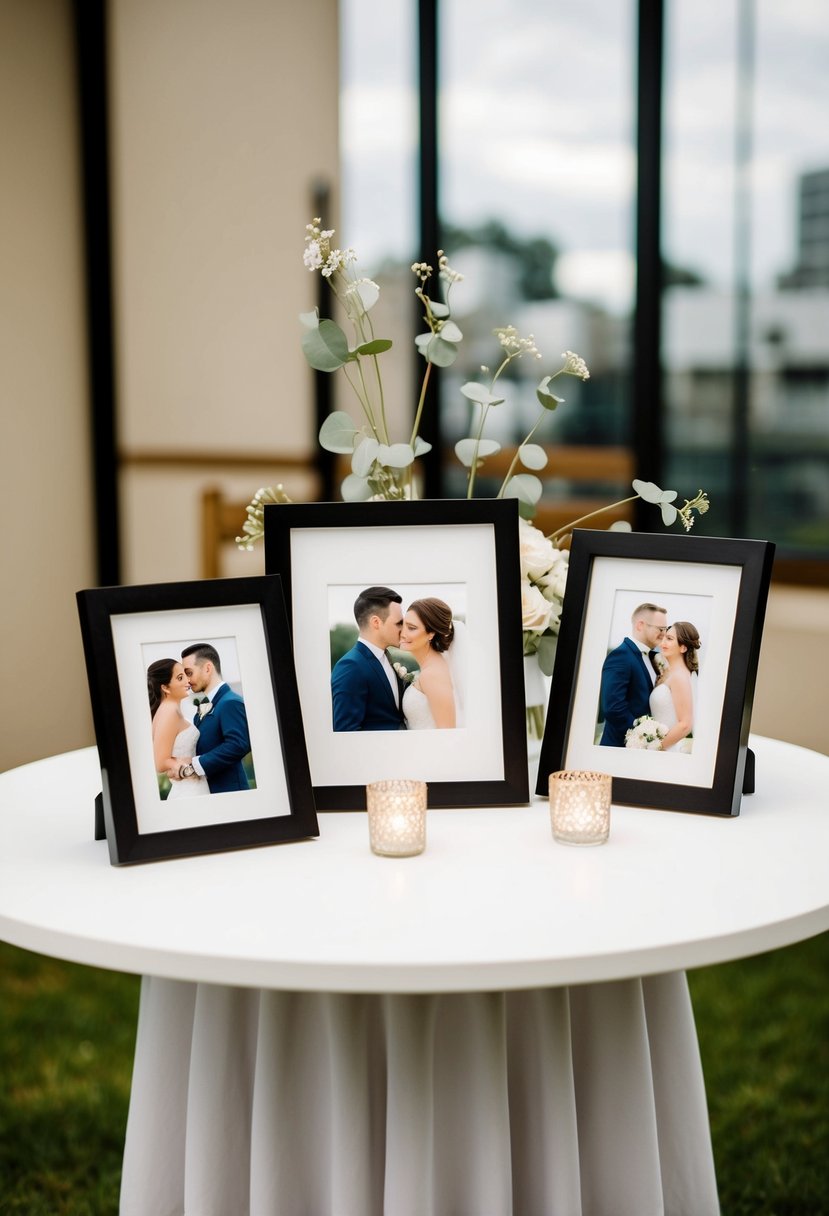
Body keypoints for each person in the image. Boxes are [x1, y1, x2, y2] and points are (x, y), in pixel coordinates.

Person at [166, 643, 252, 793]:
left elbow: (238, 744)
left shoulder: (230, 702)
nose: (187, 680)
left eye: (189, 673)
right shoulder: (208, 705)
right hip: (207, 792)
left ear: (207, 668)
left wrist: (193, 766)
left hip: (230, 793)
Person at [331, 587, 407, 731]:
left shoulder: (387, 657)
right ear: (376, 622)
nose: (404, 629)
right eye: (399, 623)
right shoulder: (351, 666)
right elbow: (346, 733)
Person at [599, 602, 668, 746]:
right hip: (619, 747)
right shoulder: (620, 656)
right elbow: (613, 707)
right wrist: (643, 736)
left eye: (665, 629)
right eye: (660, 629)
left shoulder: (653, 657)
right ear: (640, 625)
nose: (664, 634)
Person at [147, 658, 209, 798]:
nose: (187, 681)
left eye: (186, 675)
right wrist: (186, 770)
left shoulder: (171, 709)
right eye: (180, 678)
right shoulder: (169, 711)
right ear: (165, 687)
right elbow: (161, 762)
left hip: (193, 786)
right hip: (189, 790)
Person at [398, 598, 462, 730]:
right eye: (402, 625)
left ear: (431, 634)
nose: (402, 634)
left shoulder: (432, 674)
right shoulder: (431, 666)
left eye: (411, 628)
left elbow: (447, 731)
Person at [649, 621, 700, 752]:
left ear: (683, 648)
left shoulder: (680, 676)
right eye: (664, 637)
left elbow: (685, 724)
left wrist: (655, 748)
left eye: (669, 639)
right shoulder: (670, 673)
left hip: (666, 750)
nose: (663, 642)